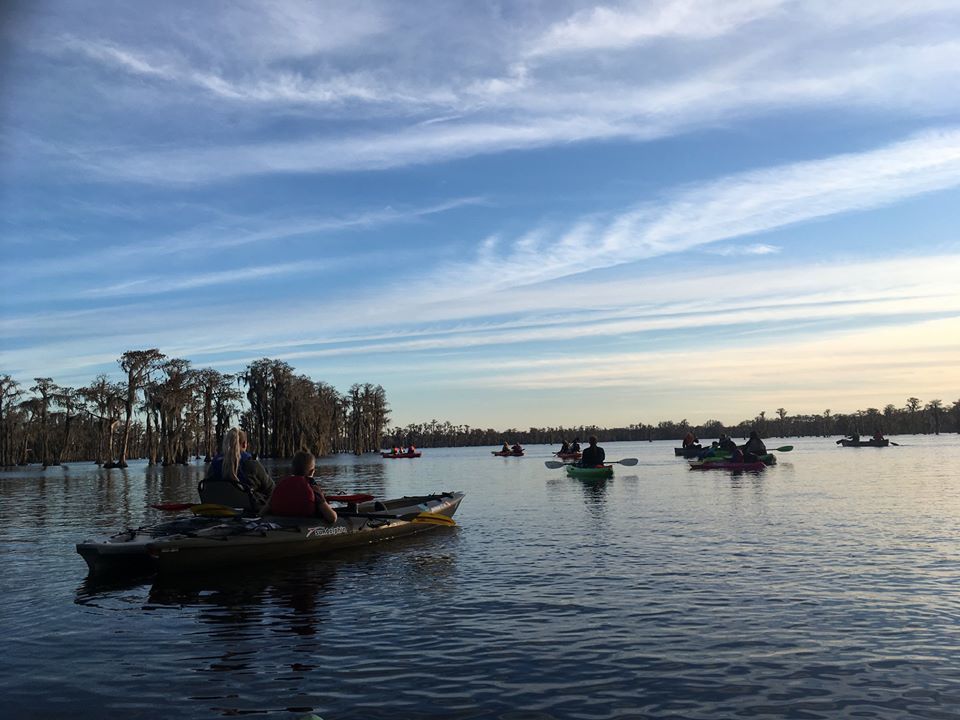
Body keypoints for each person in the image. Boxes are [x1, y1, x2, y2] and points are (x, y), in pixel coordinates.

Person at [198, 428, 275, 514]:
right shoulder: (251, 464)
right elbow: (272, 490)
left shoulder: (214, 464)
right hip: (249, 514)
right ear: (245, 444)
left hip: (218, 513)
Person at [261, 451, 337, 522]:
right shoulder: (313, 488)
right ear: (312, 471)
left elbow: (262, 513)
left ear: (292, 470)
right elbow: (332, 518)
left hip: (279, 524)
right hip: (303, 525)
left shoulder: (281, 484)